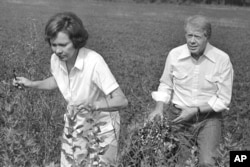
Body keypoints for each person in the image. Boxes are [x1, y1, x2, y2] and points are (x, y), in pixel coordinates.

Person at [13, 12, 128, 166]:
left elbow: (121, 100)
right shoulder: (56, 60)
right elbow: (58, 80)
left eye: (63, 45)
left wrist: (94, 105)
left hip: (101, 130)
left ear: (76, 41)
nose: (57, 50)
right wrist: (32, 84)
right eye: (54, 45)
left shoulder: (94, 62)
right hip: (75, 124)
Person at [148, 15, 234, 166]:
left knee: (207, 162)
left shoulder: (222, 59)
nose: (192, 41)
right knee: (180, 162)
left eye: (197, 36)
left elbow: (224, 99)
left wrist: (195, 110)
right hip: (178, 117)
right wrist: (159, 108)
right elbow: (165, 85)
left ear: (207, 37)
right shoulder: (174, 55)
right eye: (189, 35)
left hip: (209, 119)